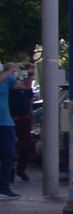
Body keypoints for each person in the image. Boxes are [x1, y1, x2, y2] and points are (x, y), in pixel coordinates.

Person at [5, 63, 31, 186]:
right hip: (10, 119)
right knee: (8, 148)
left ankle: (20, 170)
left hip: (22, 119)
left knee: (25, 146)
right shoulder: (6, 83)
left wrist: (30, 73)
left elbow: (26, 86)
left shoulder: (15, 84)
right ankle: (9, 172)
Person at [0, 61, 21, 200]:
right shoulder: (4, 77)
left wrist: (30, 74)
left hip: (6, 123)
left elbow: (23, 86)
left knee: (8, 154)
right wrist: (11, 69)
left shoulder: (7, 79)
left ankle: (4, 186)